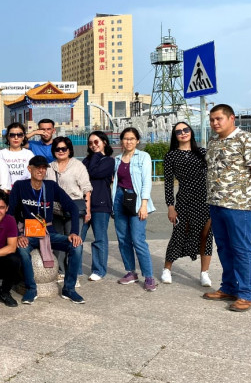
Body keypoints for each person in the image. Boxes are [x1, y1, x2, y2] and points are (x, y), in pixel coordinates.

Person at [203, 104, 251, 312]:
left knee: (241, 248)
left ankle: (246, 294)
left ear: (232, 118)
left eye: (219, 119)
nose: (215, 123)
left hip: (238, 205)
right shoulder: (213, 141)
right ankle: (229, 287)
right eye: (212, 120)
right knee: (224, 247)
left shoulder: (246, 140)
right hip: (216, 203)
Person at [9, 156, 85, 305]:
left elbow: (73, 208)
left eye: (44, 168)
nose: (41, 170)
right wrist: (18, 235)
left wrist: (74, 232)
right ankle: (31, 289)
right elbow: (10, 213)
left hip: (48, 233)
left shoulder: (50, 186)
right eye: (37, 167)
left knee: (76, 246)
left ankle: (69, 289)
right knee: (22, 250)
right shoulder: (20, 186)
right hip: (28, 233)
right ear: (29, 169)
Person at [162, 122, 214, 287]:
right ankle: (167, 269)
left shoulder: (203, 153)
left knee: (206, 235)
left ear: (191, 132)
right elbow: (168, 184)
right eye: (179, 131)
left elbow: (215, 175)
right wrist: (170, 206)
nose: (183, 133)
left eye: (186, 130)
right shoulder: (171, 156)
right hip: (184, 200)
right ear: (175, 136)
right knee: (178, 234)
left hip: (205, 201)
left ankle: (204, 273)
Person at [113, 127, 157, 291]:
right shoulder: (117, 159)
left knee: (138, 239)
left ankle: (149, 276)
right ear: (121, 141)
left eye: (132, 139)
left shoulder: (143, 156)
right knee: (123, 238)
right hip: (119, 198)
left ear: (137, 141)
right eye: (125, 138)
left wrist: (144, 204)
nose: (128, 141)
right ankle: (131, 272)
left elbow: (147, 182)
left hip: (136, 199)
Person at [46, 136, 92, 280]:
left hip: (74, 208)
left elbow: (86, 189)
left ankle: (73, 274)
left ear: (69, 150)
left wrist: (88, 210)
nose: (61, 151)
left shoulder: (78, 166)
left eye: (64, 148)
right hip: (55, 210)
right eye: (57, 149)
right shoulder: (49, 167)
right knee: (57, 242)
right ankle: (60, 271)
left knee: (74, 241)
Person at [80, 131, 115, 282]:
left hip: (101, 204)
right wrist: (93, 156)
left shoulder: (109, 161)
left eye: (96, 142)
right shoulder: (86, 160)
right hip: (84, 203)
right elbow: (81, 177)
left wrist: (97, 155)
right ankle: (76, 268)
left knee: (100, 239)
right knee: (78, 237)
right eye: (90, 143)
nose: (93, 145)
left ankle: (99, 270)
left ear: (104, 142)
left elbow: (94, 173)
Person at [0, 122, 34, 188]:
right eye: (12, 135)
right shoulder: (1, 154)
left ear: (23, 137)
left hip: (24, 189)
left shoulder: (29, 154)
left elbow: (32, 175)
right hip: (5, 190)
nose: (16, 138)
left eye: (19, 135)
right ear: (8, 137)